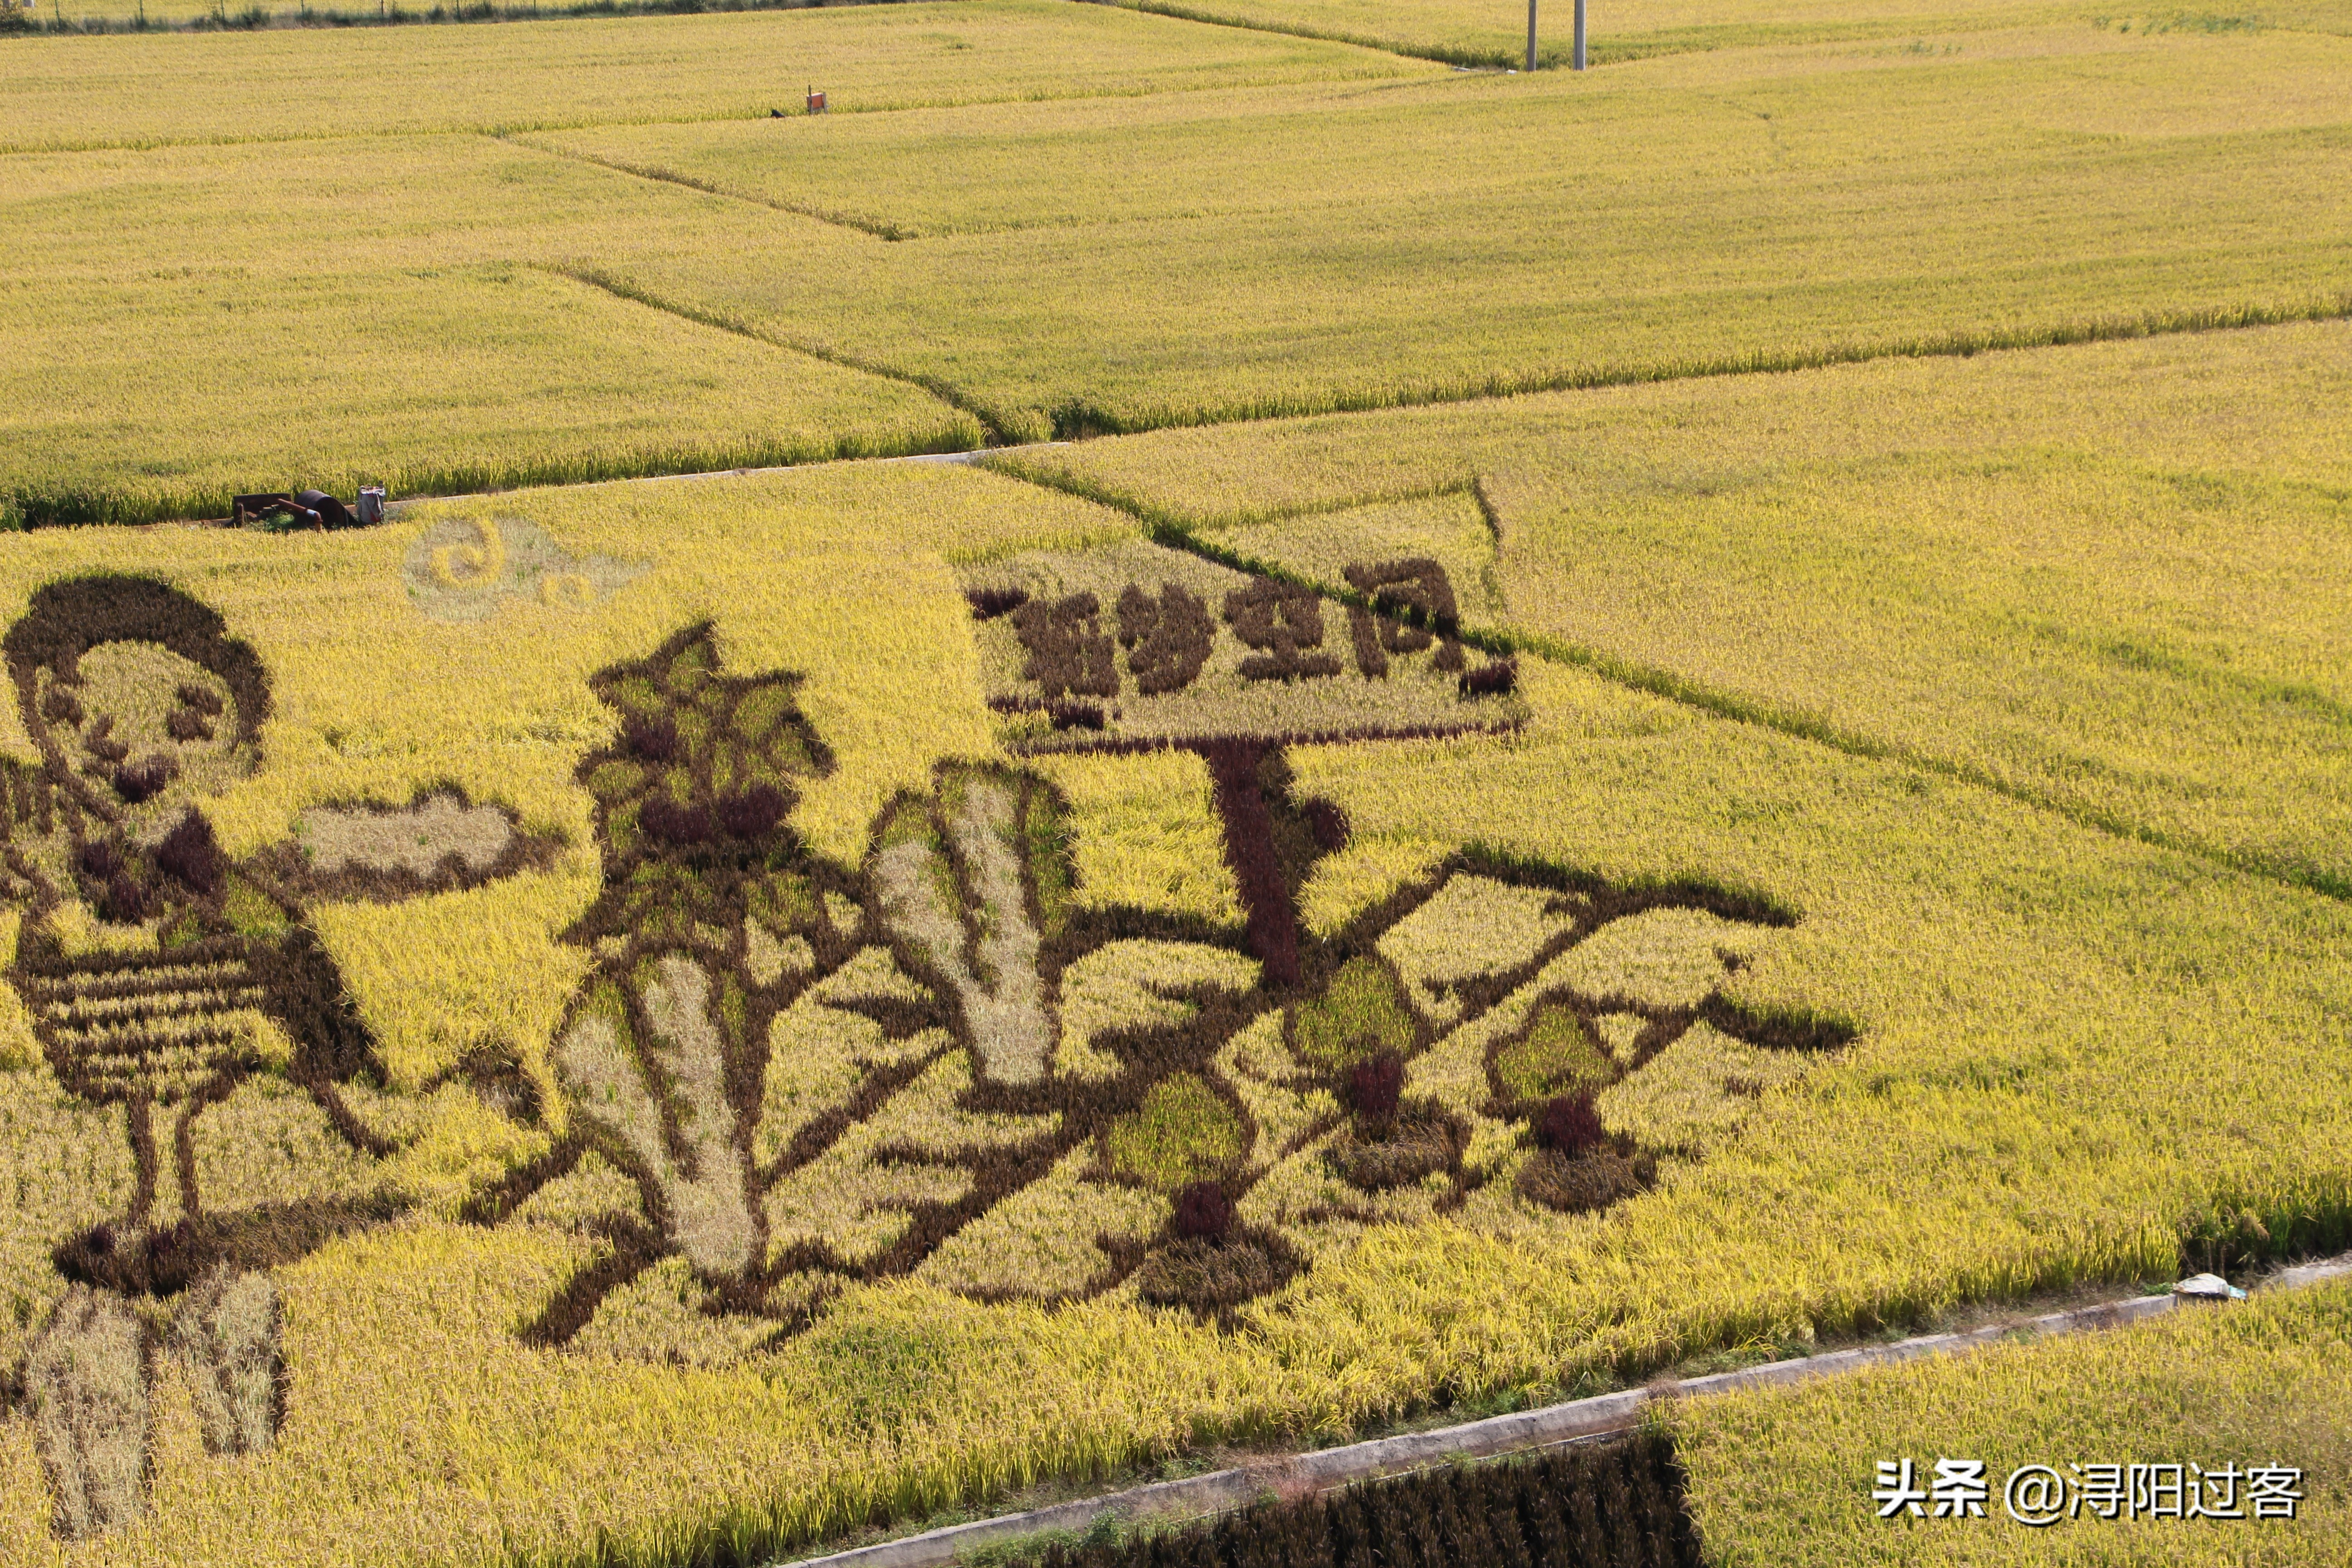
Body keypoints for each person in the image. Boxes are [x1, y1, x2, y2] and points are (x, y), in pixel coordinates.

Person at [0, 574, 551, 1539]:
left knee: (222, 1305)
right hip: (161, 1073)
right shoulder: (79, 859)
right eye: (86, 716)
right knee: (104, 1340)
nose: (138, 753)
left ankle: (233, 1466)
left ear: (238, 736)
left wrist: (356, 1084)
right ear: (48, 722)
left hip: (214, 1077)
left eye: (189, 718)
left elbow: (288, 979)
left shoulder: (217, 882)